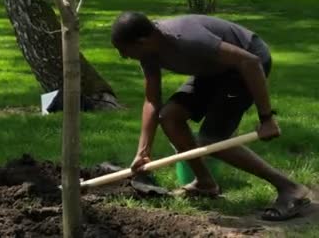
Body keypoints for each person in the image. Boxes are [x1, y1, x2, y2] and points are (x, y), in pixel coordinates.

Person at [111, 12, 310, 221]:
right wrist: (143, 151)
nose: (123, 56)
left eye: (124, 50)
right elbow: (152, 100)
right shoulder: (148, 53)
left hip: (247, 62)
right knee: (170, 116)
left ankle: (291, 189)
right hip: (213, 69)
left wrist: (266, 118)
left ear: (142, 41)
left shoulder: (187, 38)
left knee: (213, 139)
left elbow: (250, 62)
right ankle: (205, 183)